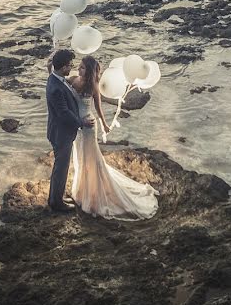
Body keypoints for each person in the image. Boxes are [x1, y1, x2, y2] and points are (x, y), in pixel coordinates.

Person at [67, 55, 158, 220]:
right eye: (79, 66)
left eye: (82, 67)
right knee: (80, 157)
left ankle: (93, 193)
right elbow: (59, 84)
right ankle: (82, 190)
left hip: (88, 126)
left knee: (91, 159)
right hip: (77, 126)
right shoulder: (73, 80)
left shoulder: (93, 86)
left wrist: (104, 125)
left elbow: (98, 108)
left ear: (89, 71)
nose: (79, 69)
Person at [45, 49, 93, 212]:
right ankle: (56, 203)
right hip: (61, 133)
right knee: (61, 167)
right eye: (69, 65)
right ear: (63, 67)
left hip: (57, 131)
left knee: (60, 166)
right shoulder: (56, 88)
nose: (71, 68)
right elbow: (64, 113)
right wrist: (82, 122)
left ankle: (55, 197)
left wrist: (51, 62)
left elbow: (51, 65)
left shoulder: (55, 77)